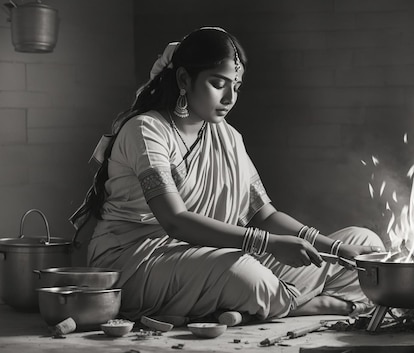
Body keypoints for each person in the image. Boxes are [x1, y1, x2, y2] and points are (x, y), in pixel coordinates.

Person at [70, 26, 384, 325]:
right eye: (218, 84)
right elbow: (174, 221)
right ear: (184, 78)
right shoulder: (147, 131)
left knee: (365, 245)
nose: (230, 98)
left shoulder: (227, 136)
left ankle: (259, 306)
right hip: (138, 261)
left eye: (236, 86)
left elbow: (265, 214)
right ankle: (317, 304)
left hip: (209, 256)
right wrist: (270, 244)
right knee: (245, 275)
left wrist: (336, 249)